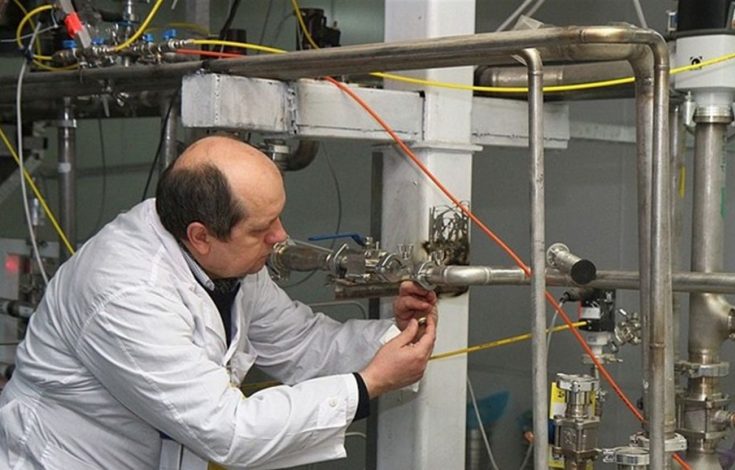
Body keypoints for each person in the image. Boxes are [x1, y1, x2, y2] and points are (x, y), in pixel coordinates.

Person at [0, 135, 438, 469]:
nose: (280, 237)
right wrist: (367, 385)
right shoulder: (126, 294)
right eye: (261, 228)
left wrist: (393, 339)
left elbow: (300, 343)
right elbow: (228, 430)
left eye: (278, 218)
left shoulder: (227, 259)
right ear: (200, 236)